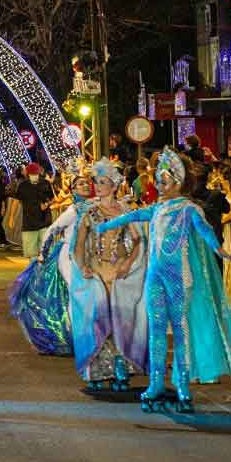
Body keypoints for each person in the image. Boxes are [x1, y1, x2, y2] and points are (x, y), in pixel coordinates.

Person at [96, 147, 231, 413]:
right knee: (157, 331)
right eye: (158, 179)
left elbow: (205, 229)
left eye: (164, 180)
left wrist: (218, 248)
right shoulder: (157, 209)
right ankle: (156, 384)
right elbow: (133, 216)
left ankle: (182, 385)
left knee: (181, 332)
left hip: (179, 278)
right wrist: (105, 226)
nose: (158, 184)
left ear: (179, 182)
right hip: (155, 277)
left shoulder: (189, 209)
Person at [67, 159, 148, 392]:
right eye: (96, 182)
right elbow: (79, 245)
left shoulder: (126, 211)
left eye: (103, 182)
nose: (98, 186)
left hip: (119, 272)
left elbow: (138, 240)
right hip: (98, 272)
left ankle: (121, 367)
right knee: (100, 320)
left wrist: (129, 264)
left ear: (114, 186)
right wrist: (83, 267)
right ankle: (99, 370)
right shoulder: (89, 212)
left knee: (120, 321)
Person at [8, 170, 92, 356]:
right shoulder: (73, 211)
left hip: (86, 256)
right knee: (75, 292)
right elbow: (53, 230)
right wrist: (42, 255)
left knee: (83, 295)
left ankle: (83, 335)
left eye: (87, 183)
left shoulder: (93, 208)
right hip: (68, 255)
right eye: (80, 184)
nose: (85, 186)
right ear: (73, 191)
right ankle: (77, 338)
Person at [14, 163, 54, 261]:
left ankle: (44, 272)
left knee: (46, 251)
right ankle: (34, 272)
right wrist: (12, 216)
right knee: (32, 253)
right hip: (29, 223)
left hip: (44, 221)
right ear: (28, 174)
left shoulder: (45, 183)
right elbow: (19, 201)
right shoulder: (23, 186)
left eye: (36, 173)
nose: (34, 176)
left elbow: (52, 198)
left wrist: (46, 204)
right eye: (32, 174)